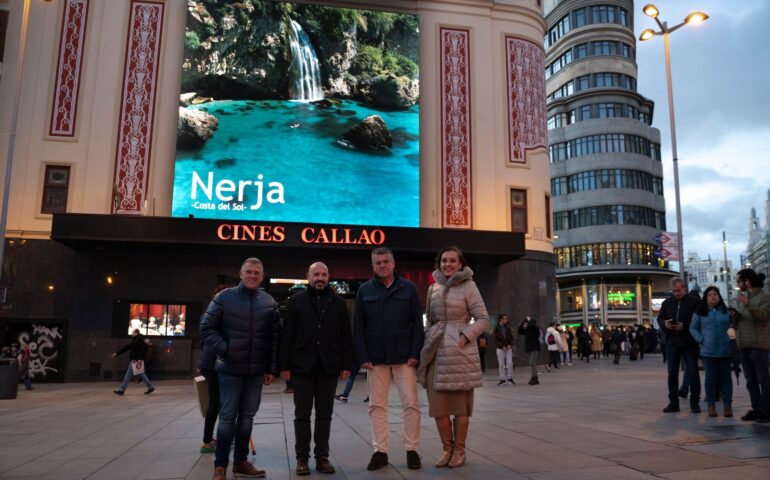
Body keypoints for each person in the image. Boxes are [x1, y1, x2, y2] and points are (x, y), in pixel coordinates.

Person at [200, 257, 281, 480]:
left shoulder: (269, 302)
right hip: (229, 370)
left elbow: (275, 338)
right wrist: (225, 349)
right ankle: (220, 466)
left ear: (262, 276)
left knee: (247, 418)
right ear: (241, 273)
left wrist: (272, 369)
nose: (252, 275)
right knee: (227, 418)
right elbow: (206, 327)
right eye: (249, 272)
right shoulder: (224, 297)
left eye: (257, 272)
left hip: (255, 372)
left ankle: (241, 463)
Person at [417, 246, 489, 469]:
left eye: (452, 261)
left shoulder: (469, 286)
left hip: (460, 354)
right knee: (438, 409)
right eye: (444, 260)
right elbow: (430, 321)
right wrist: (428, 338)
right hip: (436, 353)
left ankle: (460, 450)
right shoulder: (433, 287)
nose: (447, 264)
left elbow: (483, 319)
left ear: (460, 264)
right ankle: (447, 449)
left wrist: (465, 335)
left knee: (460, 409)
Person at [353, 247, 424, 471]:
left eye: (385, 261)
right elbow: (358, 326)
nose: (382, 265)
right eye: (378, 262)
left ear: (393, 264)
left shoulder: (409, 288)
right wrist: (363, 356)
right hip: (375, 359)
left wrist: (415, 352)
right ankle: (380, 452)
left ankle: (412, 450)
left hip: (405, 358)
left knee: (411, 404)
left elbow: (417, 324)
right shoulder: (364, 290)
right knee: (376, 406)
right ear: (373, 266)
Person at [280, 262, 353, 476]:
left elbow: (345, 336)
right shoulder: (295, 302)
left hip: (328, 367)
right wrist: (284, 366)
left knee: (325, 415)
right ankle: (302, 458)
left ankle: (322, 457)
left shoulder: (339, 303)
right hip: (302, 367)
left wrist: (346, 365)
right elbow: (287, 336)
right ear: (308, 276)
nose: (320, 278)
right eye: (316, 274)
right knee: (301, 415)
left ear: (328, 277)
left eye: (323, 274)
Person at [657, 276, 701, 413]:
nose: (677, 293)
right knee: (672, 373)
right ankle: (673, 403)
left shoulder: (695, 302)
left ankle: (695, 402)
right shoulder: (667, 303)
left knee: (693, 372)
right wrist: (664, 324)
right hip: (672, 341)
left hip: (689, 342)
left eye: (679, 290)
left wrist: (684, 326)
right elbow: (660, 318)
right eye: (674, 291)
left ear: (684, 288)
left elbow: (699, 321)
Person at [732, 268, 770, 423]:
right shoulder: (743, 297)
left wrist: (748, 304)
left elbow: (764, 315)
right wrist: (734, 316)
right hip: (744, 344)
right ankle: (756, 408)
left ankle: (766, 410)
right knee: (750, 380)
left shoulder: (765, 297)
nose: (737, 284)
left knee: (763, 379)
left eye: (739, 281)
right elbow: (742, 320)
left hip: (758, 344)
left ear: (747, 282)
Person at [198, 284, 232, 455]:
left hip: (210, 363)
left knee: (218, 402)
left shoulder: (209, 313)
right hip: (216, 364)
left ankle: (215, 438)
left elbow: (203, 340)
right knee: (218, 402)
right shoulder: (218, 314)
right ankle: (208, 440)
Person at [690, 286, 733, 417]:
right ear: (705, 298)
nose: (712, 296)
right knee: (710, 379)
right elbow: (693, 328)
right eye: (709, 295)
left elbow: (734, 326)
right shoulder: (700, 313)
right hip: (708, 351)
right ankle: (711, 405)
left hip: (725, 350)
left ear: (719, 296)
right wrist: (701, 339)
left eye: (715, 294)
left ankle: (727, 406)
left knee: (726, 379)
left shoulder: (727, 312)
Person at [112, 329, 155, 395]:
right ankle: (150, 387)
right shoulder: (135, 340)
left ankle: (122, 390)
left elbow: (143, 350)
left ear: (136, 333)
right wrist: (117, 353)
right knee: (141, 374)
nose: (131, 333)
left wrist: (140, 358)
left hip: (135, 360)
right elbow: (127, 347)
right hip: (135, 360)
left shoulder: (139, 340)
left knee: (128, 375)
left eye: (133, 332)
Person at [493, 314, 515, 385]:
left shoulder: (508, 327)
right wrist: (501, 346)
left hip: (508, 348)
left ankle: (510, 378)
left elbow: (511, 337)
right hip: (500, 349)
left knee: (510, 363)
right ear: (501, 319)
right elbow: (495, 339)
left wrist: (510, 344)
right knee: (501, 364)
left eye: (506, 318)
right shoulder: (496, 328)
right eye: (505, 318)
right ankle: (502, 379)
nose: (506, 320)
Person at [518, 316, 541, 385]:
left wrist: (529, 321)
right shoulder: (526, 330)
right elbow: (520, 331)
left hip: (535, 347)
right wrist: (523, 324)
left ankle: (534, 377)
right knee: (533, 363)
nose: (525, 325)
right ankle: (535, 378)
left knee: (532, 362)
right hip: (530, 348)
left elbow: (536, 330)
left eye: (526, 323)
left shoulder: (534, 327)